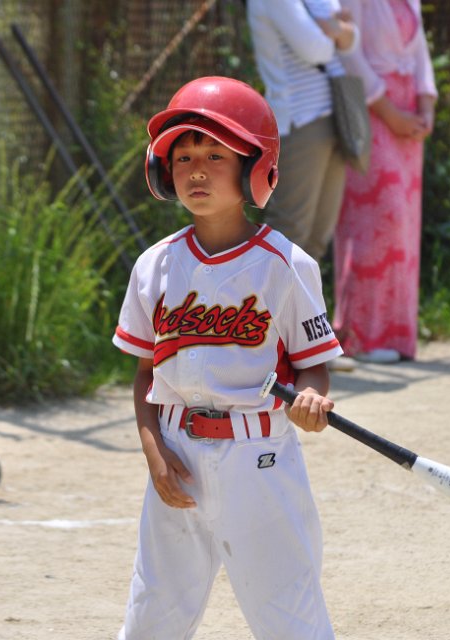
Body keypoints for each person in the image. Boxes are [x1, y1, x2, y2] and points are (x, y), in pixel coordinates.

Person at [111, 76, 343, 640]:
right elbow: (145, 376)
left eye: (216, 155)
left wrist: (312, 397)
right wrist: (154, 453)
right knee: (152, 616)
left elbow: (312, 364)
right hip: (177, 452)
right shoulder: (154, 266)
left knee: (289, 616)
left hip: (258, 460)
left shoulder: (285, 265)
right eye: (183, 157)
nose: (196, 170)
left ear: (254, 167)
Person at [331, 0, 437, 364]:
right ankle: (360, 337)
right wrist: (389, 112)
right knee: (378, 221)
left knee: (404, 228)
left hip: (409, 111)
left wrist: (426, 104)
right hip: (370, 111)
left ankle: (397, 337)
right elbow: (349, 53)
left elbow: (420, 50)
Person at [247, 0, 359, 262]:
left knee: (317, 239)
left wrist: (333, 29)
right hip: (300, 121)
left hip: (335, 117)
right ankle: (265, 290)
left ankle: (303, 291)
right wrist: (338, 30)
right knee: (289, 233)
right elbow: (315, 50)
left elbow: (353, 41)